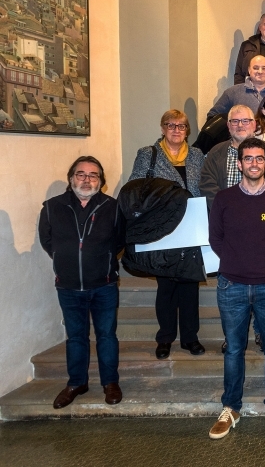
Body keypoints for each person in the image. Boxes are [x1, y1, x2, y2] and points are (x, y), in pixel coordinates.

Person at [207, 137, 265, 441]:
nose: (254, 163)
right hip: (231, 284)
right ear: (239, 162)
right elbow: (215, 238)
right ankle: (231, 407)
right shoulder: (224, 199)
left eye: (259, 158)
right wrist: (236, 262)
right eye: (248, 158)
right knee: (233, 350)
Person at [39, 156, 125, 409]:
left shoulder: (112, 207)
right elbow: (47, 240)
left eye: (93, 175)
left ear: (101, 181)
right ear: (71, 178)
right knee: (76, 337)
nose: (87, 180)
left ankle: (110, 383)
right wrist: (66, 257)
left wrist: (103, 259)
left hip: (104, 284)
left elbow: (119, 241)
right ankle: (77, 382)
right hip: (68, 286)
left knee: (107, 336)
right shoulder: (53, 206)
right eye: (81, 174)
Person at [129, 110, 206, 360]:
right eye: (170, 125)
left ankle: (190, 338)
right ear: (162, 128)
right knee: (166, 286)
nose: (176, 130)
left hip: (190, 226)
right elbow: (134, 187)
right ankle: (165, 338)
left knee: (189, 286)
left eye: (181, 126)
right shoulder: (147, 154)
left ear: (187, 130)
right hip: (162, 228)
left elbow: (202, 188)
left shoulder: (196, 155)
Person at [201, 104, 265, 207]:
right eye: (235, 121)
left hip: (259, 213)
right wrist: (226, 210)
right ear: (228, 126)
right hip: (225, 215)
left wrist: (250, 210)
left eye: (245, 121)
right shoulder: (216, 152)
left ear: (254, 125)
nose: (240, 125)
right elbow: (207, 186)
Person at [207, 55, 265, 119]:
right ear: (249, 70)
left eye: (264, 68)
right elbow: (212, 116)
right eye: (255, 68)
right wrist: (233, 126)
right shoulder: (232, 92)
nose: (260, 71)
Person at [234, 13, 265, 84]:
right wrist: (240, 93)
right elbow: (239, 74)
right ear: (260, 27)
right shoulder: (246, 46)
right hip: (250, 91)